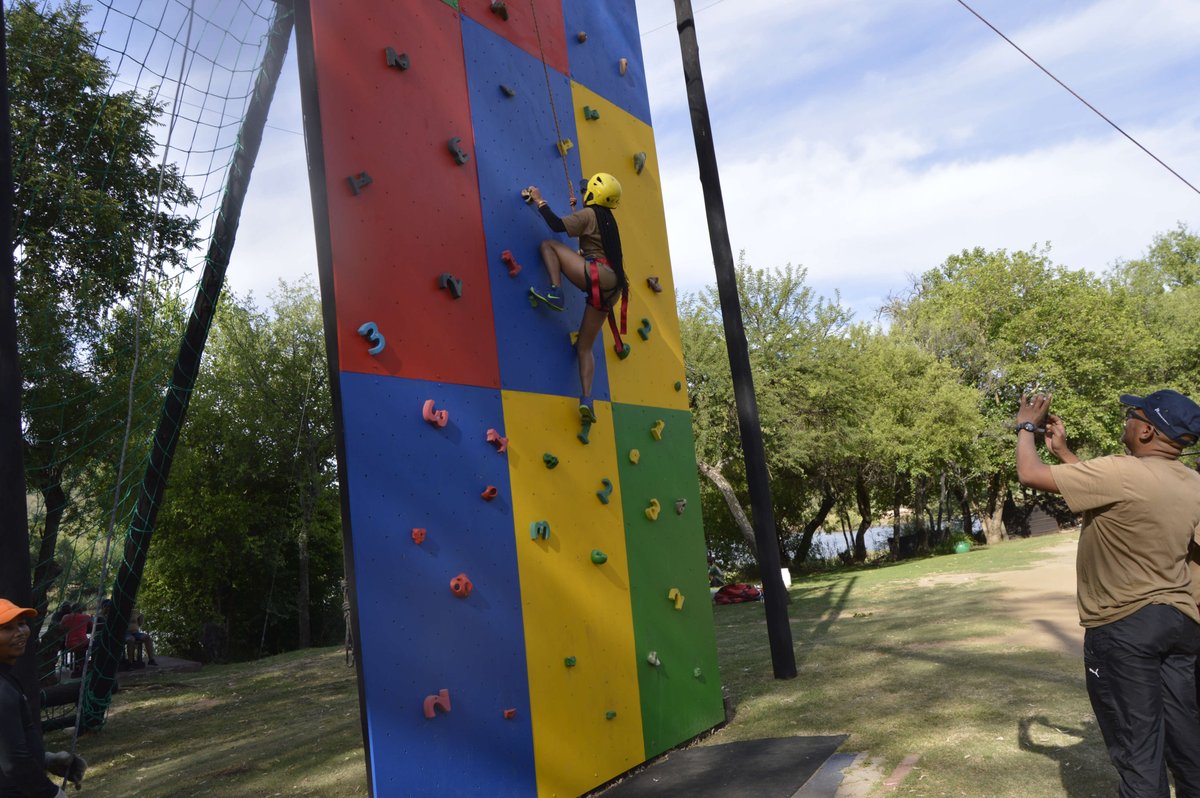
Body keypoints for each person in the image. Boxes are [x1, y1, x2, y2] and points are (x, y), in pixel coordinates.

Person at [1015, 390, 1200, 797]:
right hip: (1179, 626)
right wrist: (1064, 453)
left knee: (1138, 754)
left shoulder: (1123, 470)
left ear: (1147, 430)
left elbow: (1030, 474)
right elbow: (1114, 499)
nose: (1126, 420)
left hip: (1124, 628)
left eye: (1132, 415)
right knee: (1188, 746)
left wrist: (1026, 427)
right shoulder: (1191, 482)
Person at [525, 173, 628, 424]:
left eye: (586, 191)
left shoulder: (589, 215)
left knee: (548, 245)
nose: (583, 194)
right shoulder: (607, 220)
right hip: (613, 288)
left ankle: (555, 292)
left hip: (597, 276)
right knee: (584, 346)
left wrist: (539, 200)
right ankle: (587, 400)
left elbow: (557, 225)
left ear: (593, 193)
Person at [1, 598, 87, 797]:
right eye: (6, 628)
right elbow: (13, 763)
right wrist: (51, 794)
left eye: (22, 624)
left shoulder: (7, 678)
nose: (20, 632)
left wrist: (45, 759)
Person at [56, 605, 90, 678]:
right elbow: (92, 627)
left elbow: (60, 628)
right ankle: (85, 666)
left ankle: (76, 666)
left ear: (71, 610)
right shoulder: (86, 617)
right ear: (81, 610)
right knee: (91, 643)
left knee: (76, 646)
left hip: (69, 644)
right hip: (82, 643)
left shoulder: (65, 617)